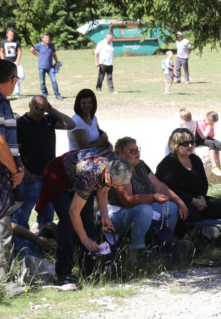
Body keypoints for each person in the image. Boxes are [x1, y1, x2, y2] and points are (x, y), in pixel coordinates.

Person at [35, 148, 132, 283]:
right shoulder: (91, 174)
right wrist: (85, 239)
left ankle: (88, 270)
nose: (116, 187)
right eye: (115, 184)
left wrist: (105, 215)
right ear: (108, 173)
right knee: (68, 223)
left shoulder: (115, 165)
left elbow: (103, 190)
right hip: (60, 177)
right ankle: (64, 273)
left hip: (81, 178)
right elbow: (74, 211)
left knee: (88, 221)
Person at [108, 137, 188, 259]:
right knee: (144, 209)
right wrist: (152, 197)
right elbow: (127, 200)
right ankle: (134, 252)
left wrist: (180, 202)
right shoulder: (119, 168)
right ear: (121, 155)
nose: (137, 153)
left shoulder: (141, 165)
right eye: (132, 151)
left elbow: (160, 186)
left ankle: (162, 246)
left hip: (142, 209)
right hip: (116, 215)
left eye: (137, 149)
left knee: (172, 207)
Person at [13, 95, 75, 230]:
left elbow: (70, 124)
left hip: (49, 177)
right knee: (22, 215)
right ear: (29, 104)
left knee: (47, 215)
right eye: (36, 108)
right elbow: (15, 152)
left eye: (42, 109)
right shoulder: (21, 123)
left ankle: (43, 243)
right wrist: (26, 173)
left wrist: (52, 111)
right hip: (31, 178)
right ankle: (21, 247)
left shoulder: (48, 120)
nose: (38, 112)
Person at [156, 128, 221, 237]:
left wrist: (201, 197)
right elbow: (170, 189)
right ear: (175, 145)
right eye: (185, 144)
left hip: (197, 200)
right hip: (177, 201)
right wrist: (192, 201)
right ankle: (175, 239)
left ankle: (209, 237)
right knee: (193, 214)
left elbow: (203, 183)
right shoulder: (168, 163)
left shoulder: (195, 159)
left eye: (192, 142)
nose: (190, 145)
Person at [0, 60, 24, 279]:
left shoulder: (5, 103)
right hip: (2, 173)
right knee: (3, 230)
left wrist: (19, 167)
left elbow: (9, 142)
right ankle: (3, 282)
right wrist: (14, 169)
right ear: (13, 80)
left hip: (6, 171)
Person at [29, 33, 62, 100]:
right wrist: (37, 55)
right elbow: (31, 49)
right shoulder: (39, 45)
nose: (48, 39)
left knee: (54, 81)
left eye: (48, 38)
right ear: (42, 39)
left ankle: (57, 95)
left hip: (50, 67)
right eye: (46, 38)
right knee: (42, 82)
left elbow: (54, 54)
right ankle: (44, 94)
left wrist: (56, 62)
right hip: (41, 67)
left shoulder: (52, 45)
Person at [196, 111, 221, 176]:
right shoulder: (199, 122)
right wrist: (208, 127)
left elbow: (212, 136)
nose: (211, 124)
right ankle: (214, 166)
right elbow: (203, 136)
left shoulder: (210, 124)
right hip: (199, 138)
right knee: (211, 143)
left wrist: (211, 128)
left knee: (219, 144)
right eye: (210, 122)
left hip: (207, 137)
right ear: (206, 117)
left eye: (212, 123)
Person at [0, 28, 22, 97]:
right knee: (6, 77)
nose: (12, 35)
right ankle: (6, 92)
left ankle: (17, 92)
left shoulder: (16, 42)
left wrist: (17, 61)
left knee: (16, 77)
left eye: (13, 34)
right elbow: (1, 51)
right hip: (6, 63)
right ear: (7, 34)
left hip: (14, 62)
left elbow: (20, 51)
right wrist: (3, 60)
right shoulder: (4, 42)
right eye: (10, 34)